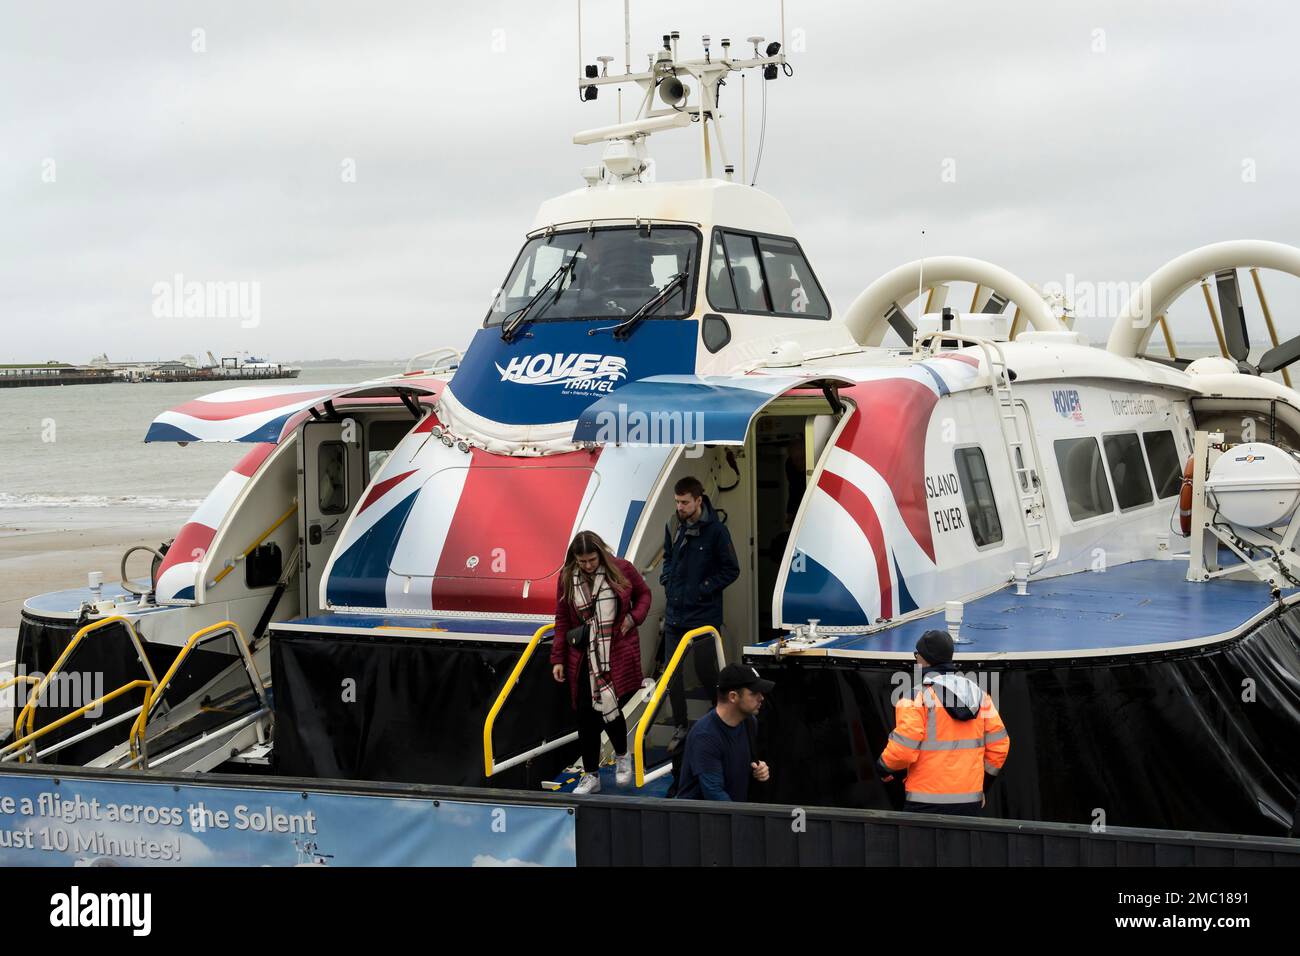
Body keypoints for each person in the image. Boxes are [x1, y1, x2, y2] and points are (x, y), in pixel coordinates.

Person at [552, 530, 652, 795]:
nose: (587, 566)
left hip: (615, 652)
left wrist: (633, 618)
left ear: (601, 554)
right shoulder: (566, 578)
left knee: (611, 707)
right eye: (582, 561)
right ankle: (591, 774)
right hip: (583, 655)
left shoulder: (621, 569)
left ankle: (622, 755)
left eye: (592, 560)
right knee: (586, 716)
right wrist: (557, 658)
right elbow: (562, 619)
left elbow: (644, 595)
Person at [875, 629, 1011, 815]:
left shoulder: (916, 697)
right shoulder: (980, 696)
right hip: (969, 801)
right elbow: (999, 746)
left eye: (916, 654)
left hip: (924, 801)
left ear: (923, 659)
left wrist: (883, 768)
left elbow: (903, 750)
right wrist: (982, 787)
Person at [658, 476, 740, 752]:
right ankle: (681, 726)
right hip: (675, 614)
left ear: (698, 500)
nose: (680, 507)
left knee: (706, 670)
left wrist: (704, 589)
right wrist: (666, 579)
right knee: (672, 674)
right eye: (677, 502)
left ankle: (721, 716)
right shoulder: (672, 524)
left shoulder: (716, 532)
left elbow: (731, 569)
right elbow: (668, 556)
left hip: (703, 614)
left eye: (684, 502)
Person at [675, 664, 773, 802]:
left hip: (732, 813)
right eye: (754, 693)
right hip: (704, 820)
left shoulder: (749, 722)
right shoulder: (705, 736)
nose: (761, 697)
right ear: (733, 696)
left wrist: (758, 770)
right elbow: (715, 795)